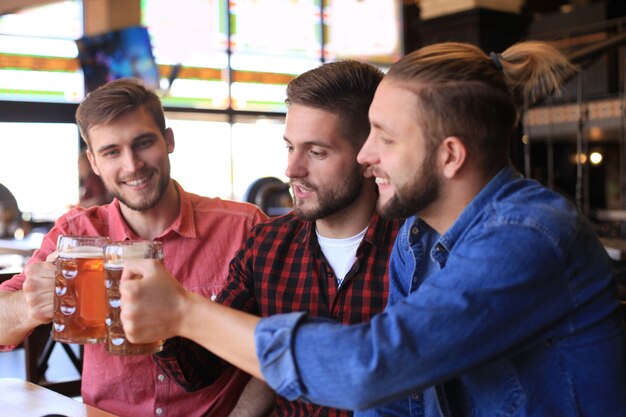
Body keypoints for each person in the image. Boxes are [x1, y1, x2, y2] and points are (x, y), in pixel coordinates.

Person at [118, 41, 626, 416]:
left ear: (449, 155)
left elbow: (369, 367)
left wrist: (184, 311)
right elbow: (396, 400)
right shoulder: (416, 240)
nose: (366, 156)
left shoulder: (530, 236)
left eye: (383, 137)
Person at [0, 78, 268, 417]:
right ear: (94, 162)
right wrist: (30, 307)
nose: (132, 165)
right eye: (112, 152)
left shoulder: (245, 227)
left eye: (143, 143)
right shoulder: (75, 233)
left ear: (168, 141)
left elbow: (282, 350)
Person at [155, 60, 402, 417]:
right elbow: (198, 367)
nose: (291, 169)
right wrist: (156, 311)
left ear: (368, 155)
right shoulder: (268, 245)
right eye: (290, 147)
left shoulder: (415, 247)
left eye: (316, 152)